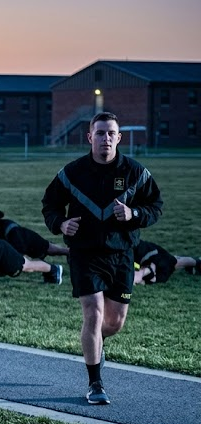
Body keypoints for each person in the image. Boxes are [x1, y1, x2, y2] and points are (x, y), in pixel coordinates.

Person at [42, 111, 163, 405]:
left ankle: (96, 344)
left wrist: (134, 213)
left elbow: (155, 206)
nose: (105, 138)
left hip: (122, 253)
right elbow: (50, 205)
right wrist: (60, 223)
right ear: (90, 137)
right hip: (84, 253)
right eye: (100, 133)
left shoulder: (135, 172)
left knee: (114, 322)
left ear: (119, 138)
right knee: (93, 314)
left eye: (111, 133)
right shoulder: (72, 173)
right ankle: (95, 382)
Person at [0, 210, 69, 259]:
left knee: (54, 250)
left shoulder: (11, 229)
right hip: (23, 246)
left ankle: (73, 252)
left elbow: (20, 248)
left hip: (31, 242)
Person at [133, 240, 199, 285]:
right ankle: (195, 262)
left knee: (171, 262)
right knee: (172, 262)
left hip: (150, 255)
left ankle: (196, 262)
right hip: (148, 255)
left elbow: (142, 274)